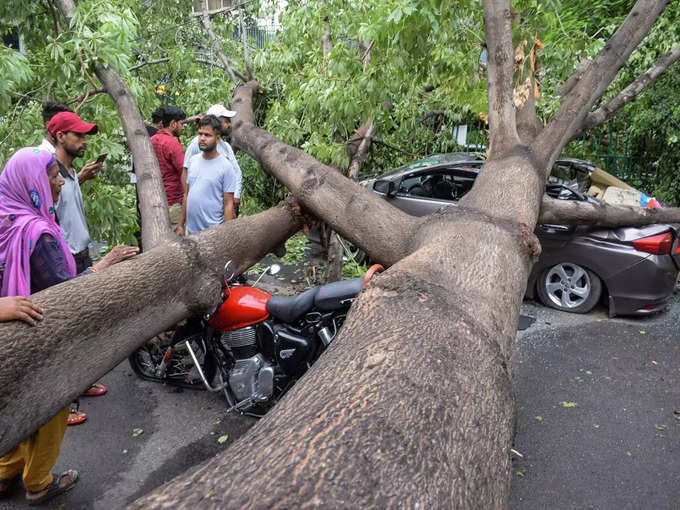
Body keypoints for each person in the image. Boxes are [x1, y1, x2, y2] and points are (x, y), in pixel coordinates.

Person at [0, 147, 138, 505]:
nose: (60, 181)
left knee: (12, 404)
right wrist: (105, 264)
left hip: (7, 343)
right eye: (52, 176)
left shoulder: (6, 220)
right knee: (50, 407)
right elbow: (67, 291)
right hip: (38, 338)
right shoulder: (38, 235)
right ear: (32, 184)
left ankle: (4, 472)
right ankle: (38, 481)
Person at [47, 111, 107, 423]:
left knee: (82, 323)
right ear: (60, 137)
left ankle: (80, 384)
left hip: (81, 252)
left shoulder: (68, 170)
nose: (84, 141)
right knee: (65, 328)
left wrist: (81, 177)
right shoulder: (48, 171)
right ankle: (63, 406)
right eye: (78, 136)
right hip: (65, 258)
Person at [182, 104, 242, 222]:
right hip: (204, 212)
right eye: (226, 121)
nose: (229, 125)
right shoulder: (196, 144)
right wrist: (189, 198)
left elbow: (236, 171)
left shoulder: (225, 147)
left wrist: (236, 195)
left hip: (224, 205)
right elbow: (186, 171)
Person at [150, 106, 186, 233]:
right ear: (172, 124)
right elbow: (184, 171)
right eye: (181, 124)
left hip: (155, 202)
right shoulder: (172, 144)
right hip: (173, 202)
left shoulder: (151, 140)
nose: (183, 127)